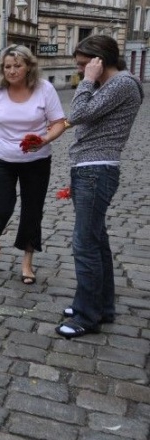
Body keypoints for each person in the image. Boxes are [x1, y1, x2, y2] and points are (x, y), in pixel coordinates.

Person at [56, 35, 143, 339]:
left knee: (85, 245)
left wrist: (87, 82)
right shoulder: (110, 85)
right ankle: (101, 306)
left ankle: (87, 316)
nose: (80, 70)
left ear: (99, 61)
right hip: (90, 168)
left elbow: (78, 114)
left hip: (96, 169)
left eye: (84, 65)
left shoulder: (122, 83)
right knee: (97, 241)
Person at [0, 45, 65, 285]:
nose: (12, 71)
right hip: (1, 158)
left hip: (36, 161)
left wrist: (44, 140)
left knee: (32, 211)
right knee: (0, 208)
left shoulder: (44, 89)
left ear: (28, 67)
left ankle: (27, 261)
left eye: (17, 66)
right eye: (7, 66)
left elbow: (59, 123)